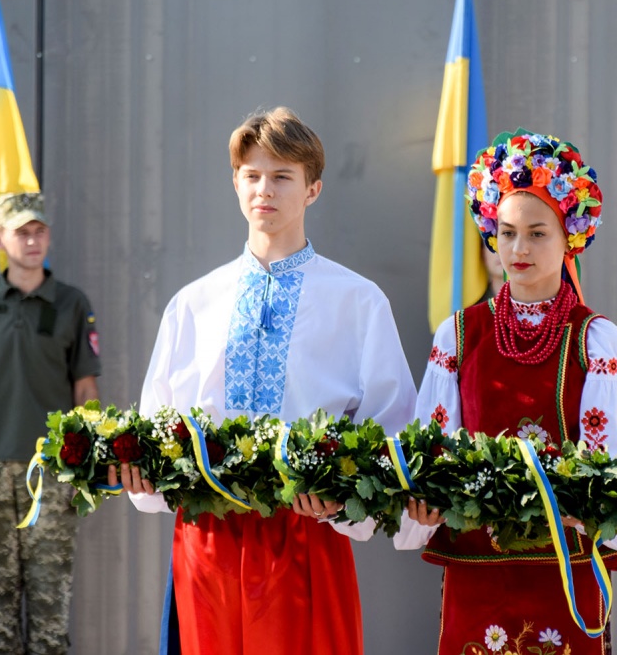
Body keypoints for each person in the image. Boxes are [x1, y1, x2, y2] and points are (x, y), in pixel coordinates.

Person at [117, 107, 417, 655]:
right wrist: (145, 477)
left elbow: (394, 425)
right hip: (207, 537)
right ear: (235, 182)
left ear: (313, 189)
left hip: (306, 532)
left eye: (282, 176)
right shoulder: (193, 303)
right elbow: (157, 418)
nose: (265, 189)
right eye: (252, 175)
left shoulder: (358, 301)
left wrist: (342, 498)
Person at [396, 129, 617, 655]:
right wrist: (425, 501)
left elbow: (613, 470)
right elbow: (433, 449)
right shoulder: (458, 335)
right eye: (507, 233)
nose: (519, 248)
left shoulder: (596, 339)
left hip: (566, 563)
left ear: (570, 236)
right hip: (476, 564)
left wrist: (589, 509)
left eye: (537, 233)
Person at [0, 192, 101, 655]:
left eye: (39, 231)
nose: (33, 241)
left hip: (51, 473)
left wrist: (88, 465)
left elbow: (86, 390)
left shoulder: (71, 303)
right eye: (21, 232)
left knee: (50, 610)